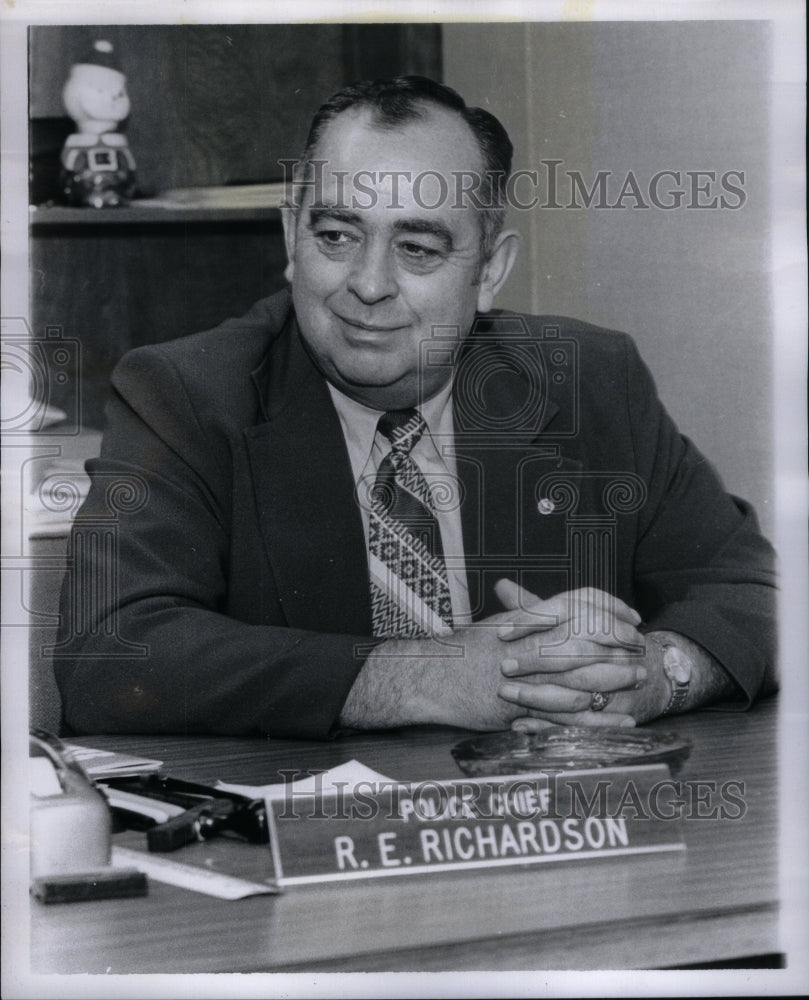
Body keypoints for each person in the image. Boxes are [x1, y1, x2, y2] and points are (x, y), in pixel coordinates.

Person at [53, 76, 777, 739]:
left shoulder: (590, 380)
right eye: (335, 236)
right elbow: (109, 653)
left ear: (488, 271)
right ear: (289, 236)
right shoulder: (184, 393)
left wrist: (658, 674)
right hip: (311, 841)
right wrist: (419, 677)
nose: (367, 284)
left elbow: (758, 590)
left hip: (549, 834)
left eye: (419, 249)